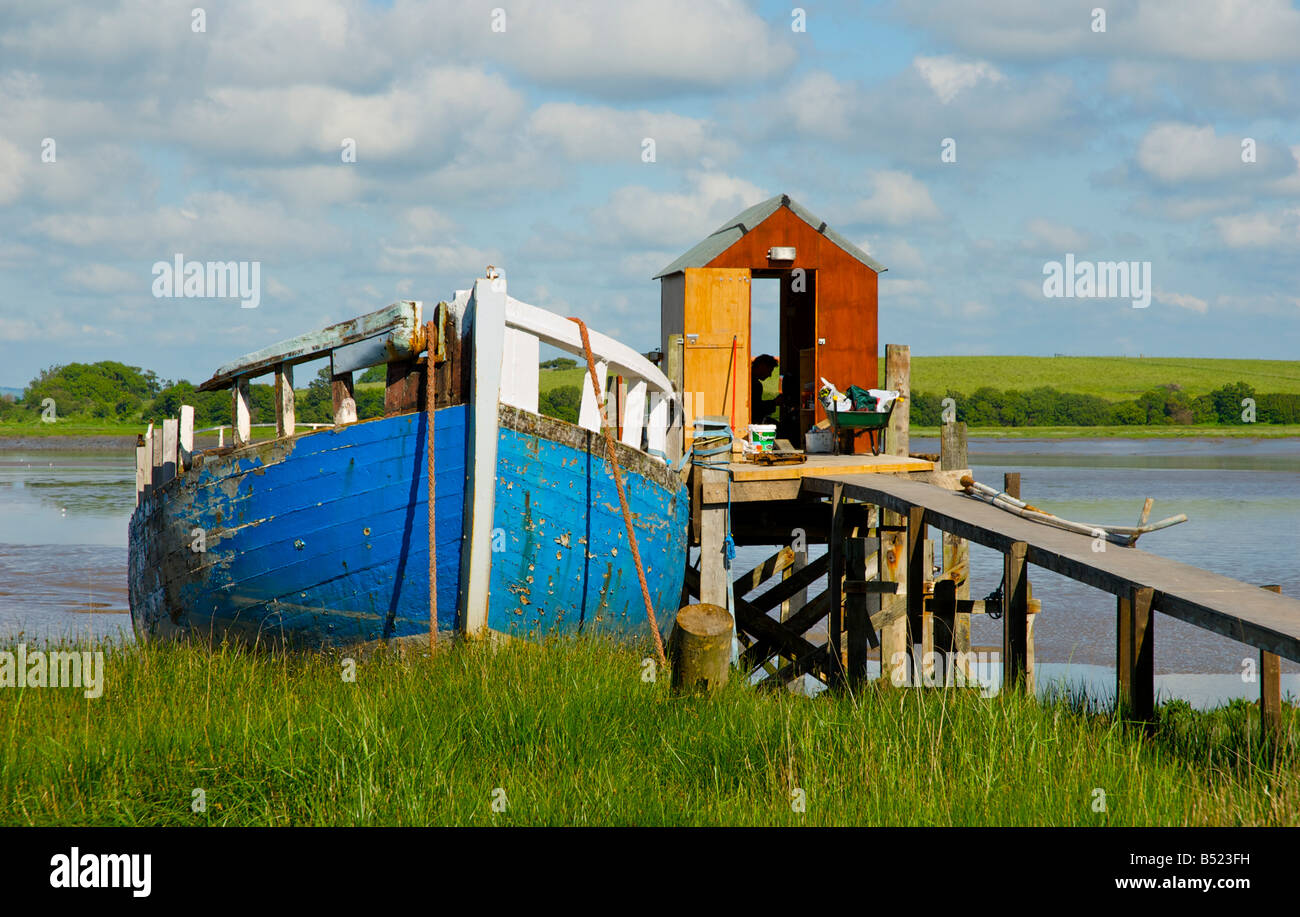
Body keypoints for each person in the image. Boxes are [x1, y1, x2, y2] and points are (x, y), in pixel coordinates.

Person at [751, 354, 780, 425]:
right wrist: (775, 402)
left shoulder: (754, 383)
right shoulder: (755, 384)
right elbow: (756, 409)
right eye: (770, 370)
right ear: (762, 366)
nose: (770, 375)